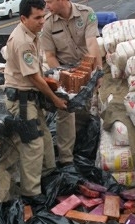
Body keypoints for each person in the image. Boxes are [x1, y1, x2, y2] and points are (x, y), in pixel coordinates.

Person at [4, 0, 67, 205]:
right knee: (32, 145)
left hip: (30, 98)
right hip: (22, 101)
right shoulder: (22, 41)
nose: (42, 21)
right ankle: (31, 194)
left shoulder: (32, 34)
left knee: (45, 138)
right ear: (23, 18)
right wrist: (55, 99)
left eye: (44, 16)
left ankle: (47, 176)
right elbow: (34, 78)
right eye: (37, 18)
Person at [41, 0, 103, 167]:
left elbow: (92, 43)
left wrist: (98, 71)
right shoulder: (48, 23)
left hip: (85, 70)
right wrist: (64, 78)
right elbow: (50, 55)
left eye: (49, 1)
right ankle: (66, 159)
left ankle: (83, 152)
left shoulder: (86, 13)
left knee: (84, 112)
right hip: (63, 71)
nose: (47, 6)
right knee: (65, 114)